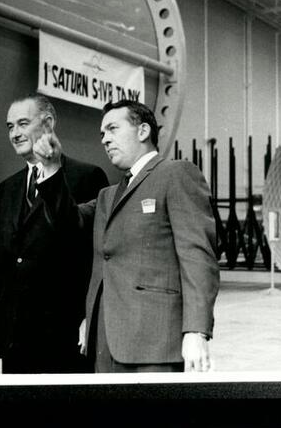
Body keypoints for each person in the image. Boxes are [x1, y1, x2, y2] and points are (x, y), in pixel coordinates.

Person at [33, 100, 219, 373]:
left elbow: (198, 257)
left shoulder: (175, 174)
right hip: (104, 342)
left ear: (143, 131)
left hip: (155, 344)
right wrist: (51, 169)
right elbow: (68, 223)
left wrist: (196, 331)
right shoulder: (107, 196)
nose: (105, 139)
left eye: (112, 129)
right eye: (102, 134)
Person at [0, 94, 108, 373]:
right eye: (10, 126)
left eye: (22, 123)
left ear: (48, 123)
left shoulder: (87, 177)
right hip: (15, 336)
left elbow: (93, 255)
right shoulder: (6, 189)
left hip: (64, 332)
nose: (14, 133)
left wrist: (89, 315)